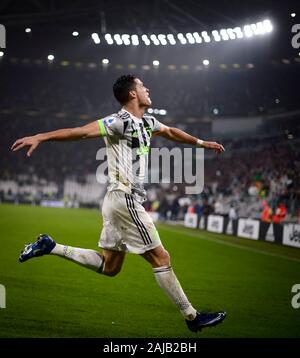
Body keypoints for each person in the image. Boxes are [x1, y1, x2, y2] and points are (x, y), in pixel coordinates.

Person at [11, 74, 226, 333]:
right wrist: (42, 136)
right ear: (133, 94)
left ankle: (51, 246)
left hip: (116, 201)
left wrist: (201, 143)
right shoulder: (118, 122)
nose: (148, 88)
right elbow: (79, 132)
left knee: (110, 267)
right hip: (125, 199)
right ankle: (193, 318)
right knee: (161, 257)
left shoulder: (147, 121)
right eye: (142, 86)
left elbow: (169, 132)